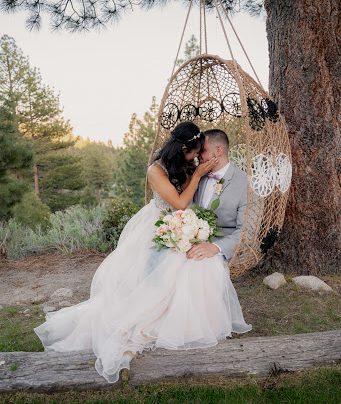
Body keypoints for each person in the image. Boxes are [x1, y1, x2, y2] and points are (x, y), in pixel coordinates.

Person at [34, 122, 252, 384]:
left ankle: (181, 321)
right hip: (161, 226)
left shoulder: (217, 174)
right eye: (194, 153)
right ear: (184, 149)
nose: (197, 158)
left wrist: (203, 237)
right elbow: (182, 203)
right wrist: (193, 192)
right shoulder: (164, 170)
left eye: (200, 153)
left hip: (186, 227)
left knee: (187, 267)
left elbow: (238, 225)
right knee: (160, 271)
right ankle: (146, 321)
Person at [188, 129, 248, 262]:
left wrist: (215, 248)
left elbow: (247, 232)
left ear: (218, 150)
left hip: (223, 250)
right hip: (192, 243)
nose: (198, 155)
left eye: (202, 150)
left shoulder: (246, 184)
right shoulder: (197, 176)